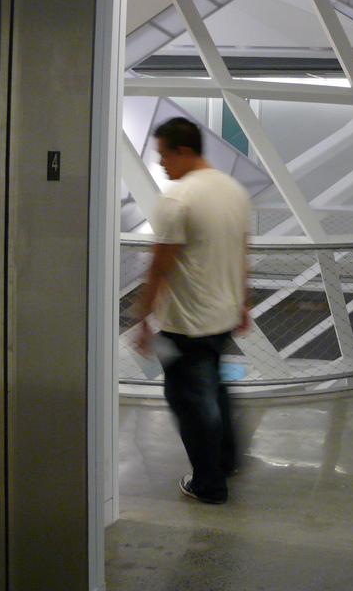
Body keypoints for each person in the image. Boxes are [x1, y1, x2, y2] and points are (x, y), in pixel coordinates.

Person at [134, 116, 250, 504]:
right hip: (223, 315)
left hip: (187, 321)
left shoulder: (178, 199)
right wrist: (244, 302)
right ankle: (227, 460)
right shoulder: (233, 190)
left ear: (183, 151)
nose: (161, 164)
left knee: (190, 401)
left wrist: (142, 318)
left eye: (164, 155)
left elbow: (159, 266)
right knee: (212, 390)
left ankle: (209, 484)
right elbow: (241, 253)